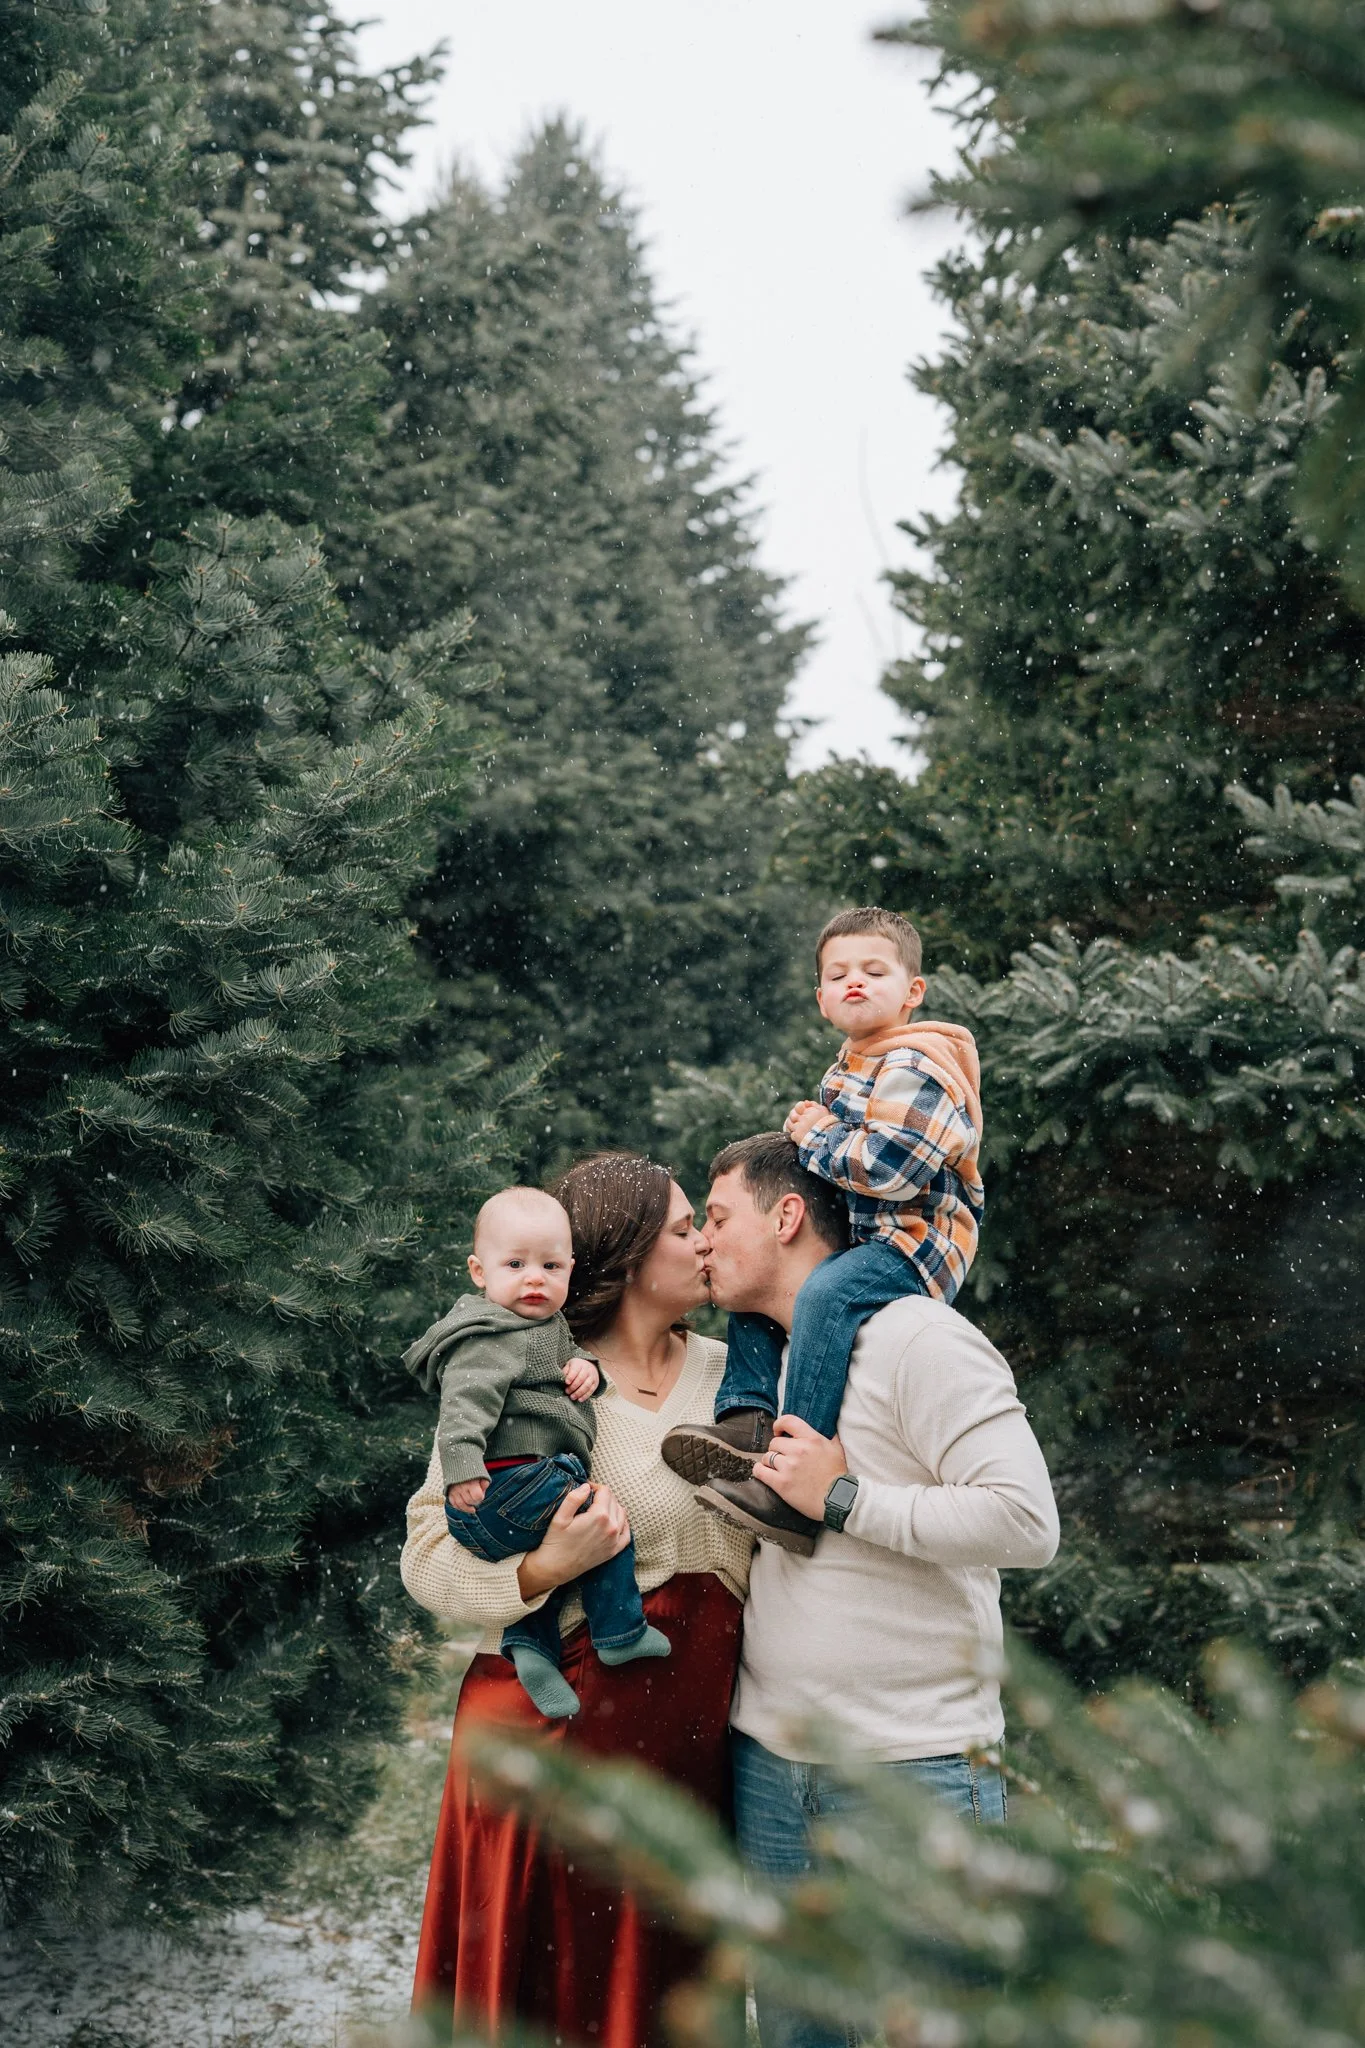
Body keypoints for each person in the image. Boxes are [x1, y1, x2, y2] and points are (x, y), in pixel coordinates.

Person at [698, 1132, 1059, 2048]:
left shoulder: (916, 1338)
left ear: (786, 1218)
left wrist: (844, 1498)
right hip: (769, 1767)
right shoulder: (753, 1368)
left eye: (716, 1218)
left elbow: (1025, 1523)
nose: (702, 1242)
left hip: (917, 1772)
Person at [401, 1152, 753, 2048]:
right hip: (548, 1727)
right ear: (629, 1256)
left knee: (658, 1991)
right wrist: (542, 1568)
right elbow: (429, 1558)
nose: (706, 1242)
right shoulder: (528, 1376)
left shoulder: (737, 1373)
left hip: (684, 1729)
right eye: (684, 1229)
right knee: (539, 1998)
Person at [664, 906, 984, 1555]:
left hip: (915, 1240)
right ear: (821, 998)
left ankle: (790, 1484)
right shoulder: (850, 1064)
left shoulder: (917, 1064)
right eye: (838, 975)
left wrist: (815, 1133)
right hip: (867, 1234)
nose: (855, 983)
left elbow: (888, 1170)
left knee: (823, 1296)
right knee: (753, 1291)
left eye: (873, 970)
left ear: (912, 991)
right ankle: (748, 1423)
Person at [403, 1185, 669, 1721]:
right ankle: (618, 1631)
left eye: (550, 1266)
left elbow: (555, 1362)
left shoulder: (542, 1329)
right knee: (601, 1519)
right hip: (503, 1486)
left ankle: (531, 1649)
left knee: (548, 1560)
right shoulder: (488, 1335)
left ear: (572, 1269)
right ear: (479, 1272)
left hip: (511, 1496)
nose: (534, 1278)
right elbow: (464, 1406)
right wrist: (461, 1472)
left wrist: (586, 1371)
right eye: (516, 1264)